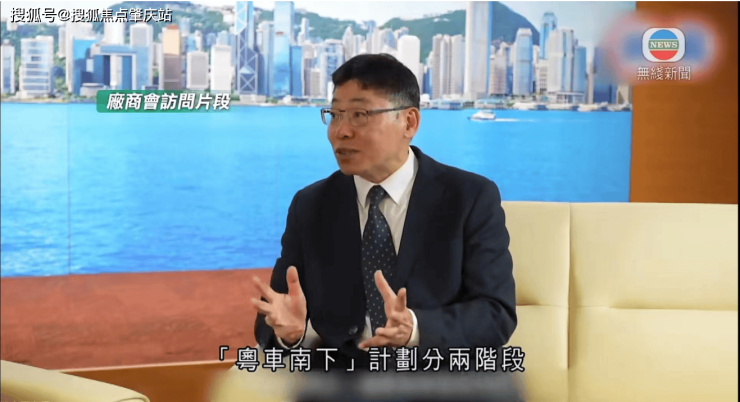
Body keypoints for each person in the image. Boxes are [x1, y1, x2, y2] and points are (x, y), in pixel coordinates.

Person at [252, 53, 517, 370]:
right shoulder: (310, 205)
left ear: (409, 122)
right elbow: (273, 317)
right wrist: (293, 334)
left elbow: (496, 314)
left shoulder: (469, 197)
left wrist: (414, 329)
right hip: (342, 380)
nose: (341, 131)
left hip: (439, 376)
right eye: (334, 115)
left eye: (359, 115)